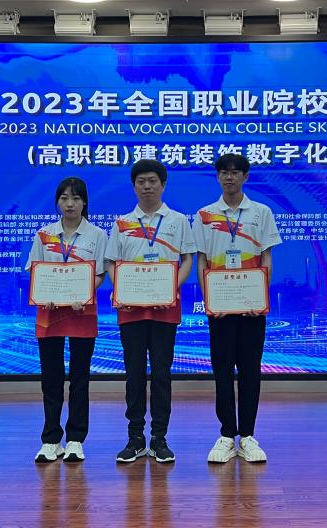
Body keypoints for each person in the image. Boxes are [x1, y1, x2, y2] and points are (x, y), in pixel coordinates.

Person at [105, 159, 195, 464]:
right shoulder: (122, 223)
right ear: (134, 186)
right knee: (133, 374)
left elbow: (187, 260)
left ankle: (159, 438)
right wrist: (122, 289)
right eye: (141, 181)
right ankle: (135, 438)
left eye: (152, 181)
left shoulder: (178, 221)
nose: (147, 186)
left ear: (163, 184)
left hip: (164, 308)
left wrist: (171, 288)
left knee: (160, 374)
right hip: (131, 309)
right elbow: (111, 262)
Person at [195, 153, 282, 464]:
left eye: (235, 172)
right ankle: (225, 435)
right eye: (223, 172)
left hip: (251, 307)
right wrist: (210, 300)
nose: (229, 177)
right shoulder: (205, 215)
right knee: (221, 370)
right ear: (218, 177)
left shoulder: (261, 213)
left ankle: (247, 435)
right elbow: (202, 261)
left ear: (245, 176)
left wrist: (259, 298)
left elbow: (267, 258)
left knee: (249, 370)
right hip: (220, 307)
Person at [25, 176, 107, 464]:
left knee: (80, 379)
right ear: (57, 202)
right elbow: (35, 271)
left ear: (85, 202)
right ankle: (50, 439)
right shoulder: (44, 234)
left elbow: (100, 273)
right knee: (51, 378)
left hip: (82, 311)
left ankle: (75, 439)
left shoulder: (97, 235)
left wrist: (85, 293)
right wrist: (43, 293)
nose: (70, 204)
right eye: (64, 198)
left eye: (75, 198)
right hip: (49, 313)